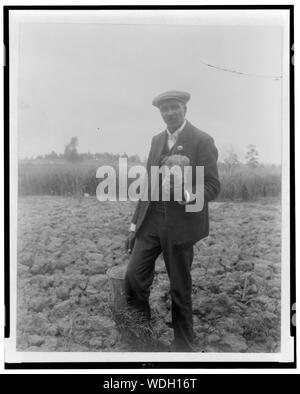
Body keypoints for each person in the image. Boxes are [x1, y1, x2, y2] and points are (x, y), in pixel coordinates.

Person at [124, 90, 220, 351]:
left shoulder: (202, 140)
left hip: (181, 224)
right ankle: (142, 338)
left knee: (179, 288)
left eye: (174, 108)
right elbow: (148, 186)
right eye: (164, 109)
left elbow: (213, 185)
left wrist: (189, 194)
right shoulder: (156, 140)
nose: (169, 113)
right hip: (152, 219)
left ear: (184, 109)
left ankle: (183, 349)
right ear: (160, 113)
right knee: (133, 276)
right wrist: (134, 225)